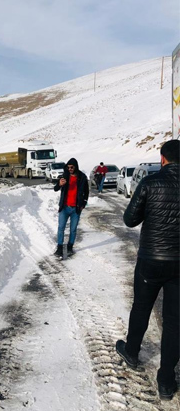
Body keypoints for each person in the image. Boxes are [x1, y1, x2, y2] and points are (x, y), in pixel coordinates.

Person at [115, 139, 179, 400]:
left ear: (163, 159)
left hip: (151, 259)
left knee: (141, 307)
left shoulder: (151, 183)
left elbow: (130, 220)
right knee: (175, 322)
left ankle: (131, 352)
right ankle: (166, 380)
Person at [53, 158, 89, 258]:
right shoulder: (64, 176)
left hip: (76, 209)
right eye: (68, 167)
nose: (70, 169)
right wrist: (59, 184)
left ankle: (69, 247)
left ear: (76, 166)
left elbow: (86, 192)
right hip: (64, 207)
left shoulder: (82, 177)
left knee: (73, 229)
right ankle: (59, 248)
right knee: (61, 228)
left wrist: (84, 203)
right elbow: (56, 189)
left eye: (72, 167)